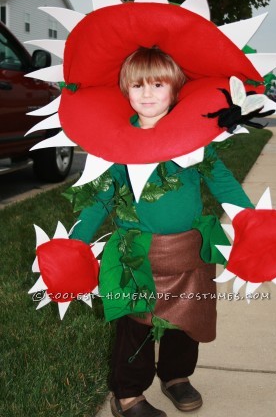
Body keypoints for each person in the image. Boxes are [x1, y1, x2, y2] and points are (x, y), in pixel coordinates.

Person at [70, 46, 254, 417]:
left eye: (158, 84)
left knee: (187, 320)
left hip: (188, 250)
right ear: (125, 90)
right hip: (135, 252)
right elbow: (102, 198)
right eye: (138, 85)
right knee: (135, 326)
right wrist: (74, 242)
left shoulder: (196, 135)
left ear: (175, 89)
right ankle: (128, 394)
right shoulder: (117, 142)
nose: (148, 93)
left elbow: (223, 182)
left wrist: (251, 219)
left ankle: (176, 377)